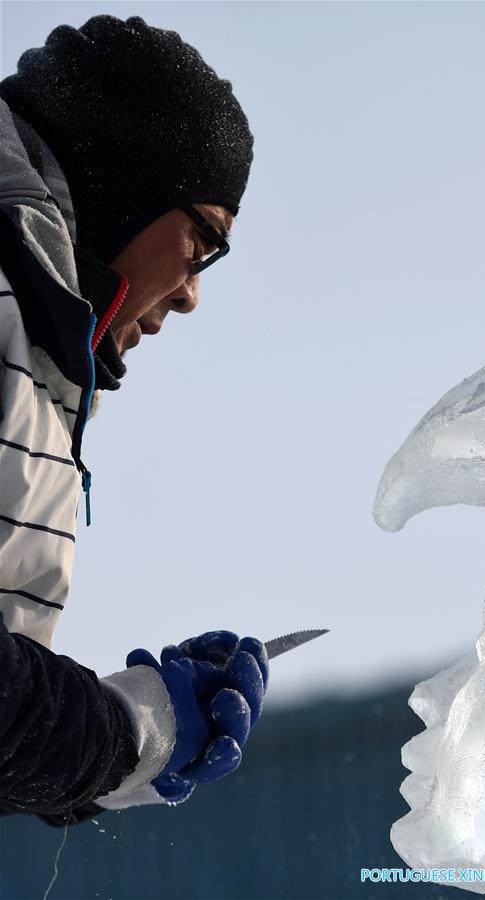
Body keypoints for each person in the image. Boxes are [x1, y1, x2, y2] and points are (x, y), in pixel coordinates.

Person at [0, 15, 268, 825]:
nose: (191, 293)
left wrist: (128, 742)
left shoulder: (37, 367)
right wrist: (129, 731)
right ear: (122, 185)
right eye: (203, 243)